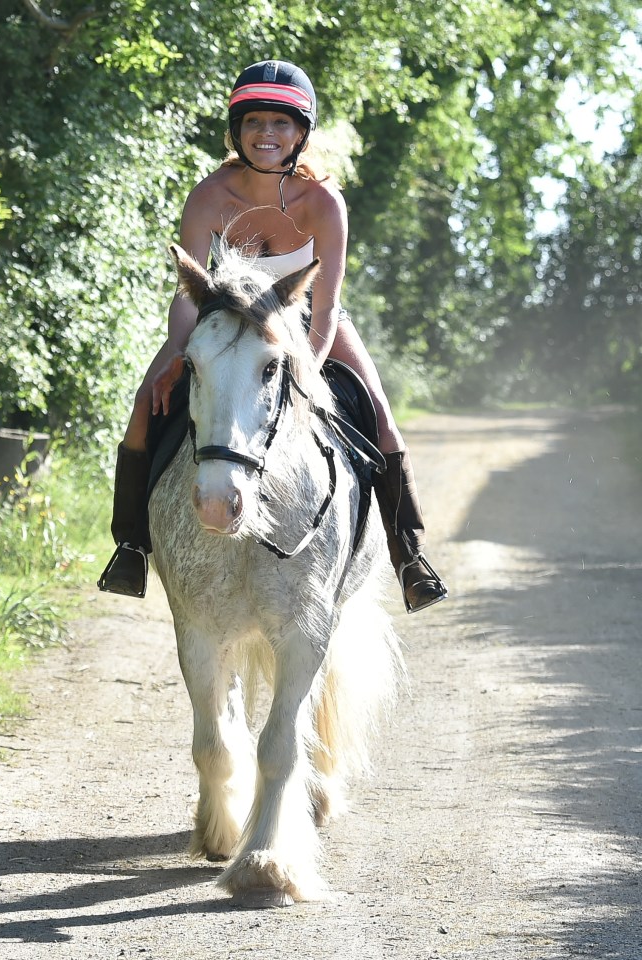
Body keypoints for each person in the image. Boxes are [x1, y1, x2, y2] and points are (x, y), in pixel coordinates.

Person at [100, 59, 447, 613]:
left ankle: (409, 555)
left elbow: (328, 304)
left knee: (380, 413)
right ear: (237, 129)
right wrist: (178, 354)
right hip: (221, 317)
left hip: (307, 321)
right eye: (255, 121)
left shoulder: (324, 202)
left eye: (281, 124)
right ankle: (132, 547)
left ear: (301, 133)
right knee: (146, 404)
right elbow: (187, 292)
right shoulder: (209, 195)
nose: (267, 134)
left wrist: (300, 367)